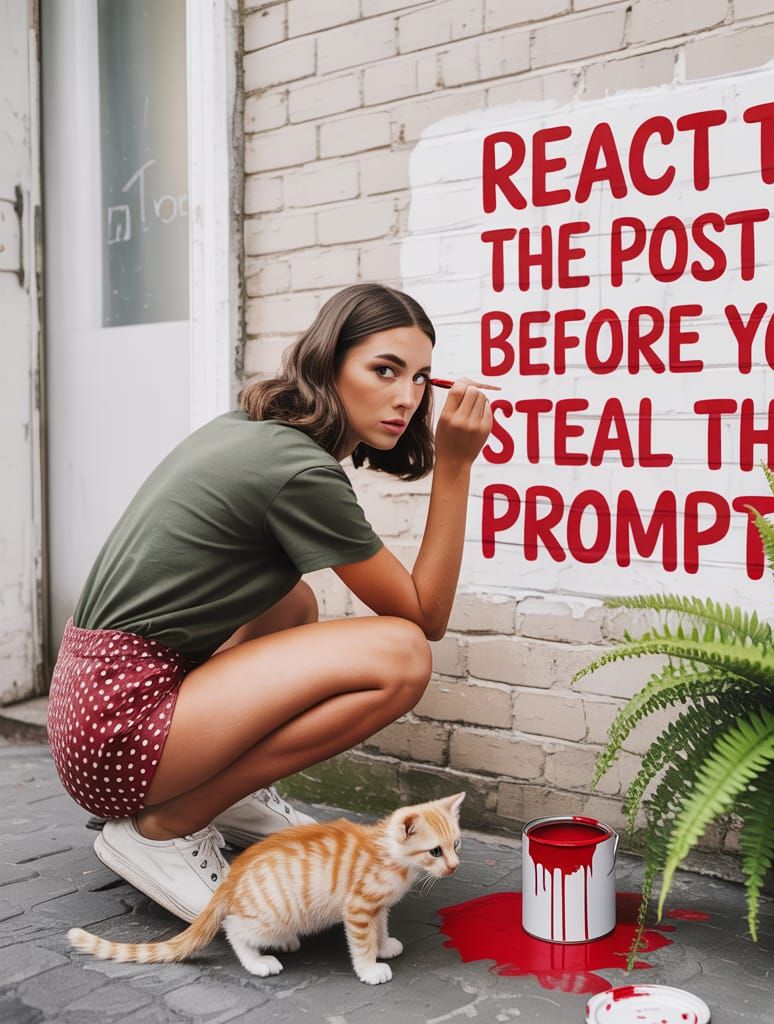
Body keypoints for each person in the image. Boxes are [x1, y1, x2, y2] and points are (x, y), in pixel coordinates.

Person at [46, 283, 494, 922]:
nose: (408, 398)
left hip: (90, 709)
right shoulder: (300, 471)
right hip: (117, 737)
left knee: (290, 602)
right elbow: (425, 617)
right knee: (401, 655)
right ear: (327, 362)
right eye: (384, 370)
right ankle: (167, 827)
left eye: (422, 379)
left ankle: (228, 800)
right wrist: (455, 465)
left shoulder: (256, 432)